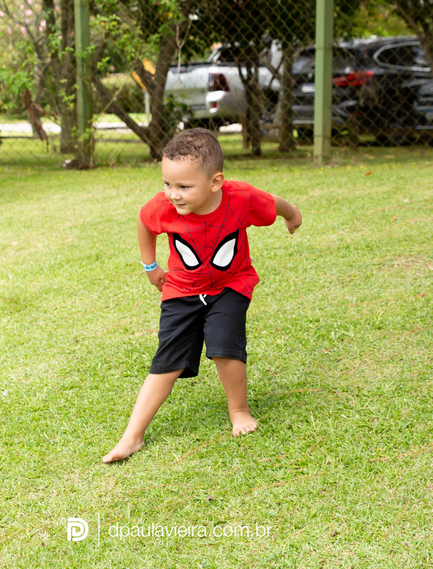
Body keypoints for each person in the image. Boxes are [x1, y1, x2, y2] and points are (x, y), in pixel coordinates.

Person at [102, 128, 303, 463]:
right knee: (166, 362)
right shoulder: (163, 207)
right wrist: (150, 266)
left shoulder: (241, 198)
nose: (173, 194)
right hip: (181, 290)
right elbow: (144, 223)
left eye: (183, 186)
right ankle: (132, 436)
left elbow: (272, 203)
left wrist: (292, 213)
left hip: (231, 285)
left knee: (224, 346)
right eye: (167, 184)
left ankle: (239, 410)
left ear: (215, 182)